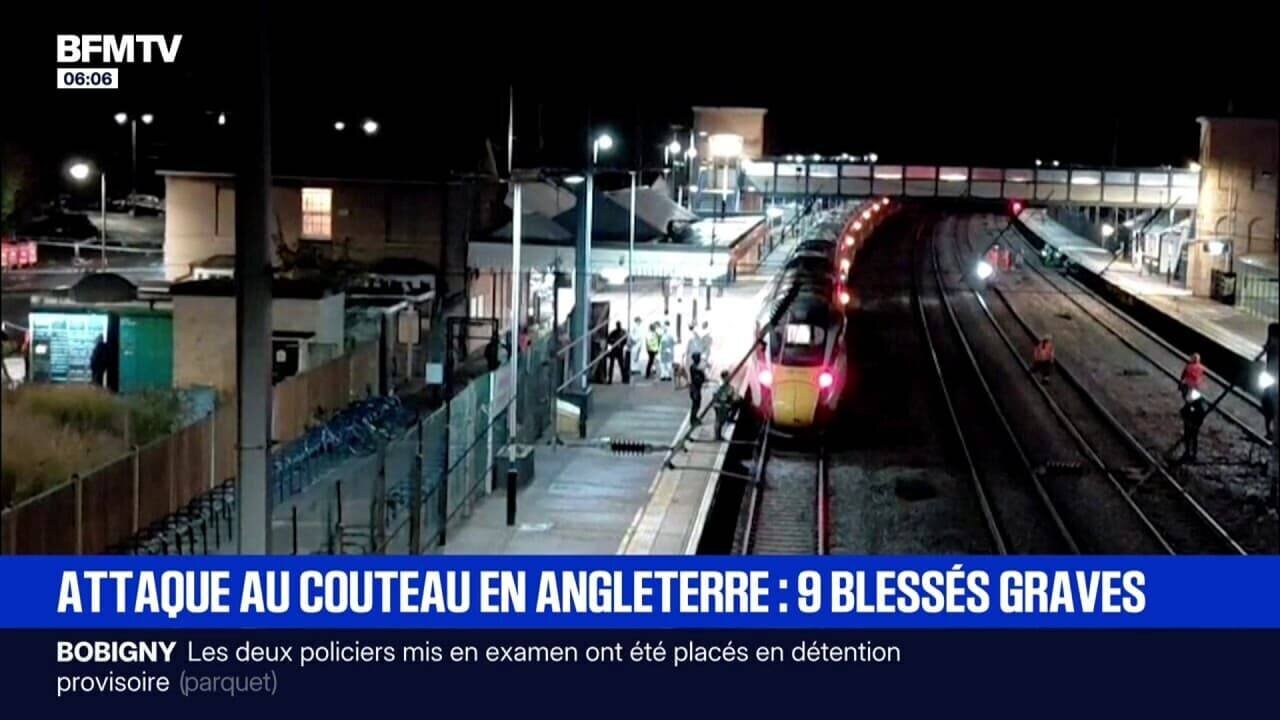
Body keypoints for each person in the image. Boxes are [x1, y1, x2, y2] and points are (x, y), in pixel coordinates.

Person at [1180, 391, 1210, 462]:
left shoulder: (1194, 407)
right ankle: (1190, 452)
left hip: (1193, 423)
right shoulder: (1194, 406)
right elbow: (1184, 411)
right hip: (1191, 423)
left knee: (1191, 438)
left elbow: (1185, 411)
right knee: (1190, 438)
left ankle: (1190, 452)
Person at [711, 370, 740, 441]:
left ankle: (718, 436)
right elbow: (721, 396)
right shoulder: (722, 386)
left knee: (721, 421)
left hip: (722, 405)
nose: (730, 377)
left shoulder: (726, 385)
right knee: (719, 421)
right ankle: (717, 436)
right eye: (728, 376)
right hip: (721, 405)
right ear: (724, 377)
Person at [688, 351, 707, 426]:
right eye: (698, 357)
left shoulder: (696, 367)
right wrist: (703, 377)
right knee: (695, 405)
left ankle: (694, 417)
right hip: (695, 390)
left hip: (696, 389)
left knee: (697, 405)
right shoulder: (694, 368)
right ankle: (692, 420)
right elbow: (699, 377)